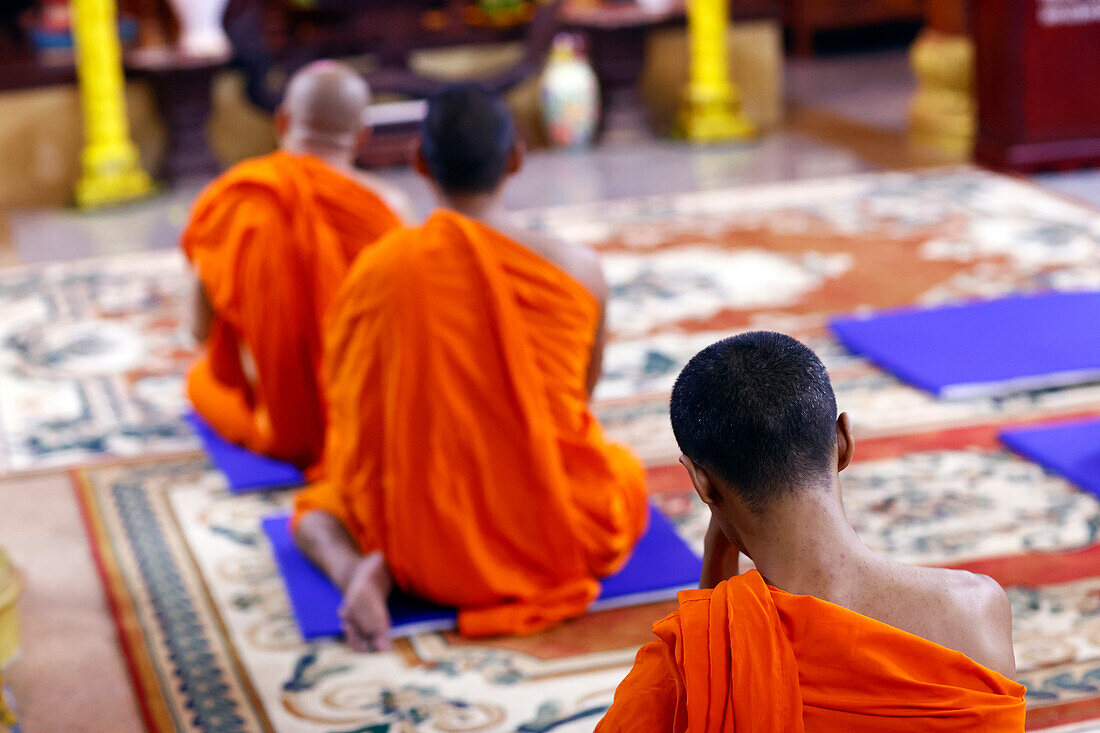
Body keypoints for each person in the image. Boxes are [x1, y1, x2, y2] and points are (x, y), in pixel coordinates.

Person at [292, 83, 648, 649]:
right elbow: (580, 394)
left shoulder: (379, 268)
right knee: (624, 475)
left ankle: (354, 571)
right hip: (559, 533)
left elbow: (352, 404)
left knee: (317, 511)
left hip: (420, 549)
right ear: (515, 159)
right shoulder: (578, 270)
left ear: (419, 163)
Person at [597, 332, 1026, 731]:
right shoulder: (975, 611)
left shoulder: (672, 671)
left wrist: (713, 584)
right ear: (843, 441)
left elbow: (707, 696)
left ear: (701, 482)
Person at [183, 60, 413, 472]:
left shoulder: (236, 198)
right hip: (378, 423)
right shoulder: (390, 208)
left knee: (199, 381)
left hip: (285, 429)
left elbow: (200, 330)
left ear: (282, 120)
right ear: (362, 136)